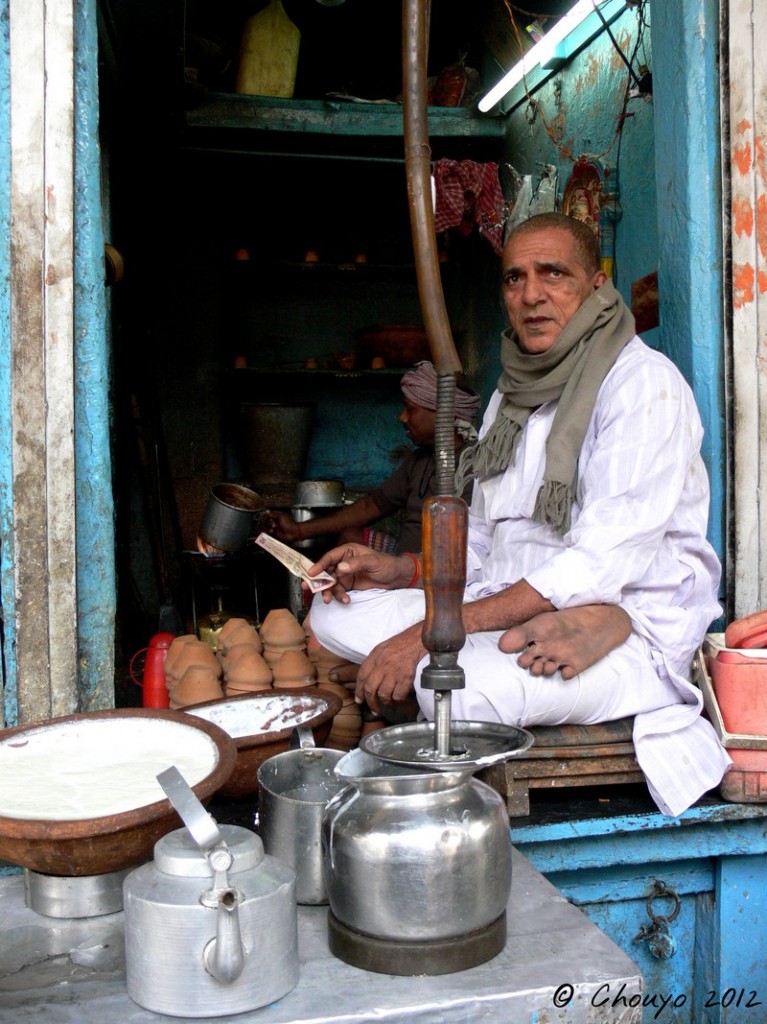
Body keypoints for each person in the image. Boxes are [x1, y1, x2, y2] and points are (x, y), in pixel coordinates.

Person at [308, 211, 731, 818]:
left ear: (594, 283)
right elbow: (480, 541)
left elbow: (599, 561)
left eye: (552, 274)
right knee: (331, 612)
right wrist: (401, 570)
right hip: (508, 600)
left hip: (632, 627)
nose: (531, 295)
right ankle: (459, 653)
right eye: (514, 278)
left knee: (457, 691)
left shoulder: (643, 385)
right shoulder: (512, 394)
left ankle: (600, 626)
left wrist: (425, 636)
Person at [264, 361, 481, 554]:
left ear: (441, 413)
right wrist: (298, 530)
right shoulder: (419, 460)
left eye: (410, 408)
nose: (402, 417)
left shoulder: (475, 465)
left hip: (438, 574)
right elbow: (372, 506)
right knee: (351, 539)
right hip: (403, 561)